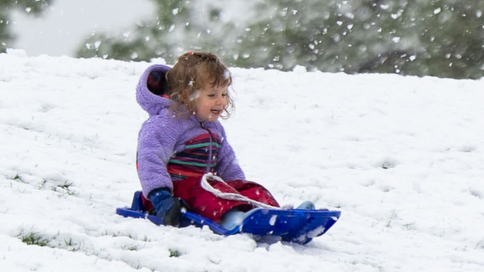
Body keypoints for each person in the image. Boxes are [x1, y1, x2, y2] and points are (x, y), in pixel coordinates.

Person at [126, 52, 336, 242]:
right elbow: (148, 159)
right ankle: (234, 218)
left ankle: (277, 215)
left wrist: (239, 190)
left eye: (224, 94)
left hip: (205, 187)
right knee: (208, 191)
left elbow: (227, 163)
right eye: (212, 95)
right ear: (185, 95)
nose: (221, 101)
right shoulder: (165, 123)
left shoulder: (214, 128)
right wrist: (160, 196)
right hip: (172, 197)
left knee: (248, 188)